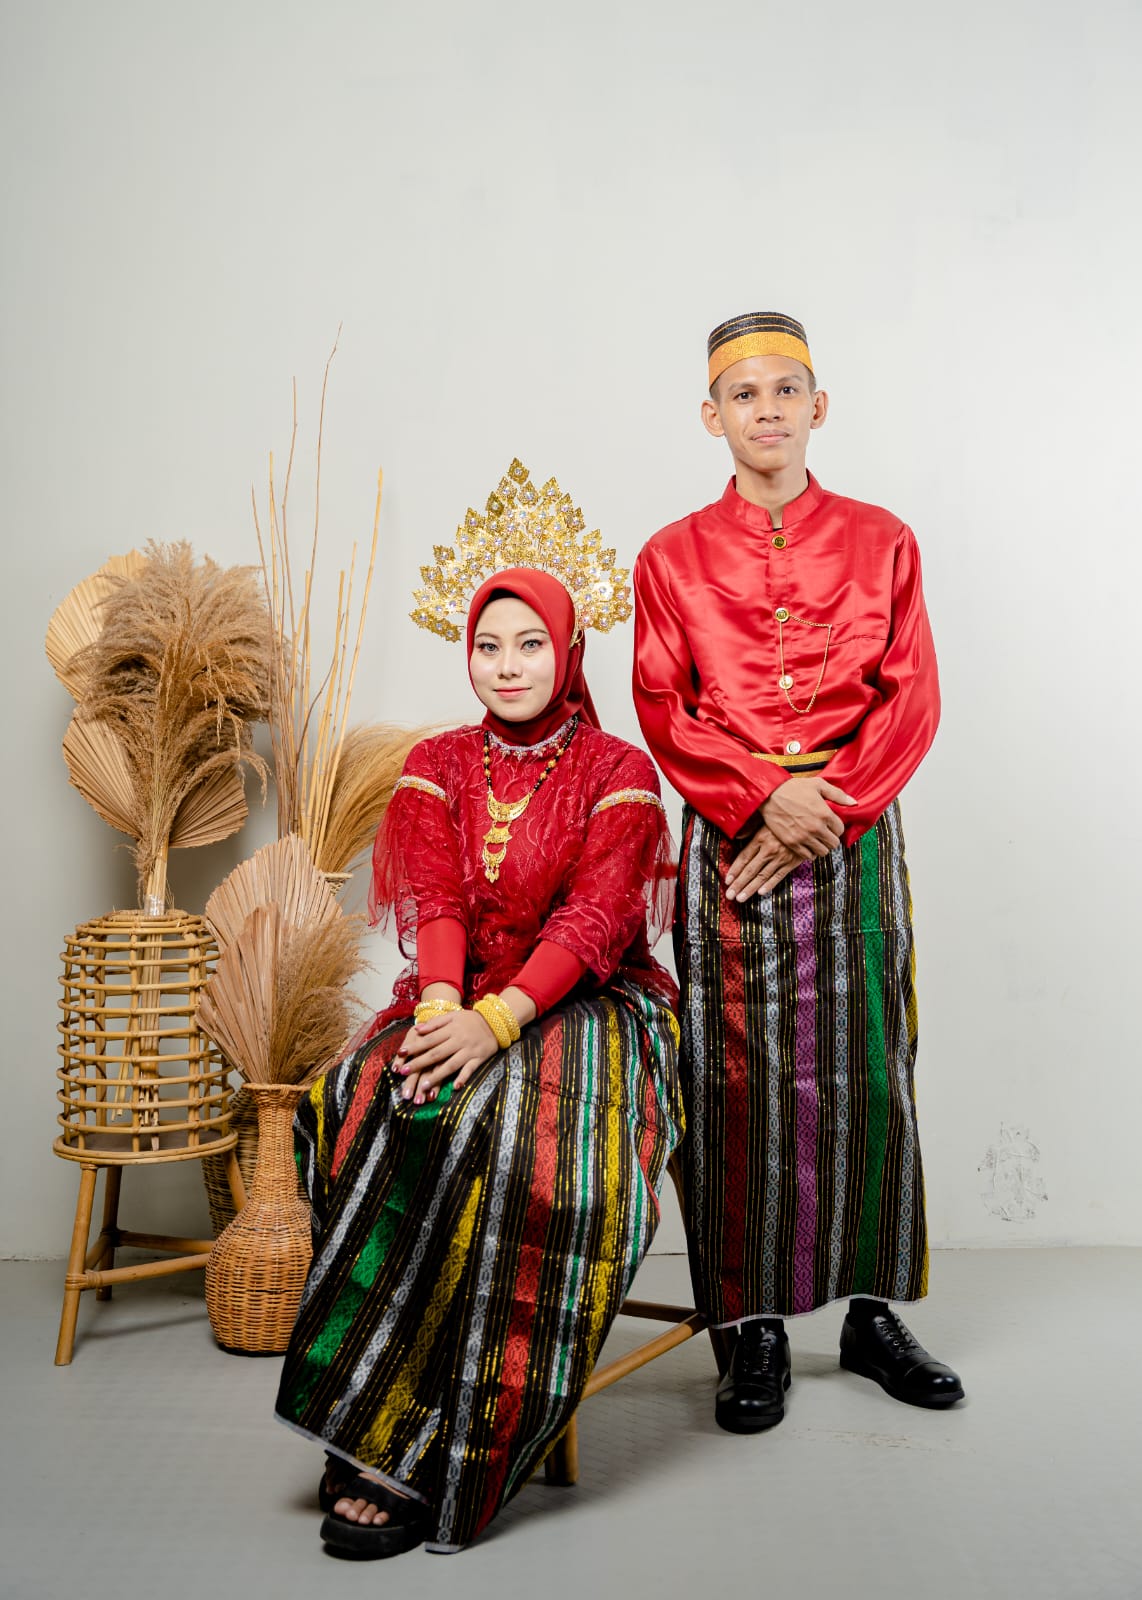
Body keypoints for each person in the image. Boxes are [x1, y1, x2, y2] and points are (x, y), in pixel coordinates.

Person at [275, 460, 683, 1557]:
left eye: (529, 644)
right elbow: (438, 900)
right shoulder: (437, 762)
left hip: (589, 1004)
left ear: (568, 651)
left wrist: (496, 1024)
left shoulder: (618, 768)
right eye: (488, 646)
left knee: (512, 1135)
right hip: (454, 992)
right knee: (366, 1098)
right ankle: (368, 1410)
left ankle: (450, 1436)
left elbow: (595, 922)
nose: (506, 666)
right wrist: (445, 1006)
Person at [632, 311, 963, 1436]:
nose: (765, 410)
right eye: (744, 393)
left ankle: (872, 1315)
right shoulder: (670, 557)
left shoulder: (882, 540)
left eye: (785, 390)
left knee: (871, 1064)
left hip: (853, 838)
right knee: (735, 1081)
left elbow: (911, 694)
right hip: (734, 841)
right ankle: (752, 1326)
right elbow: (663, 704)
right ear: (711, 416)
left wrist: (829, 804)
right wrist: (759, 797)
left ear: (818, 407)